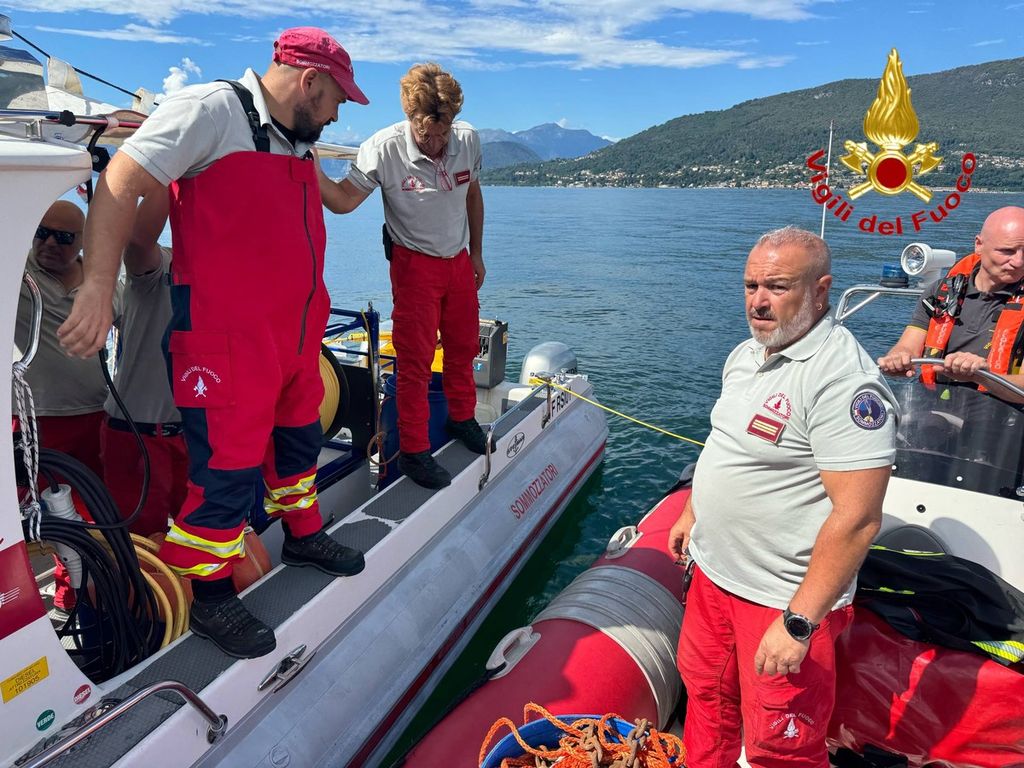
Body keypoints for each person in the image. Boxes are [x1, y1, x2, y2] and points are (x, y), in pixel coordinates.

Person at [58, 27, 369, 659]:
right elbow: (120, 180)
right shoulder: (210, 110)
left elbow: (334, 205)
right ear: (309, 80)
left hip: (293, 337)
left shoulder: (297, 140)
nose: (338, 114)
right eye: (338, 99)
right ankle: (211, 597)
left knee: (297, 442)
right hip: (227, 342)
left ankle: (304, 533)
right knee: (225, 471)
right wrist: (96, 287)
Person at [667, 227, 897, 767]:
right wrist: (692, 509)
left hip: (781, 597)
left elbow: (858, 517)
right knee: (706, 697)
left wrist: (799, 622)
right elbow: (725, 442)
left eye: (777, 286)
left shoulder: (844, 382)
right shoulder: (747, 354)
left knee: (781, 741)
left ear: (820, 291)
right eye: (751, 286)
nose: (758, 301)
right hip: (715, 578)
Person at [318, 62, 488, 490]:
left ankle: (462, 417)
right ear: (410, 116)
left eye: (443, 134)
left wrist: (476, 253)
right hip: (414, 265)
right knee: (415, 361)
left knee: (464, 345)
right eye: (427, 135)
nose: (436, 144)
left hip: (458, 261)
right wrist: (308, 167)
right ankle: (413, 451)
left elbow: (473, 195)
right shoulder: (383, 148)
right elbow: (343, 201)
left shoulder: (467, 139)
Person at [100, 191, 187, 537]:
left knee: (205, 531)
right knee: (140, 540)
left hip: (194, 431)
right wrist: (172, 172)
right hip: (139, 432)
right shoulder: (156, 266)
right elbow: (137, 242)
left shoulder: (225, 274)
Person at [878, 206, 1024, 404]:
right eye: (1007, 251)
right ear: (979, 245)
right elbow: (907, 346)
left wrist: (982, 376)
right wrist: (898, 358)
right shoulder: (939, 293)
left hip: (1003, 416)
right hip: (931, 408)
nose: (1018, 262)